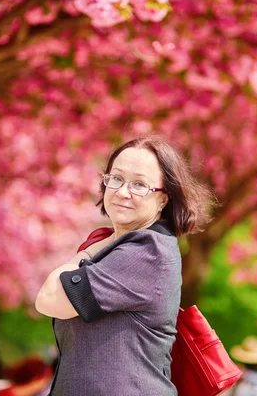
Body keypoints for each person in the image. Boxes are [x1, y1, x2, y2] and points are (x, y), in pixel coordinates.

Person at [35, 136, 213, 395]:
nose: (123, 191)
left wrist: (87, 251)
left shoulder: (148, 252)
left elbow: (49, 299)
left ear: (164, 199)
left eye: (140, 184)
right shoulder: (123, 247)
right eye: (116, 178)